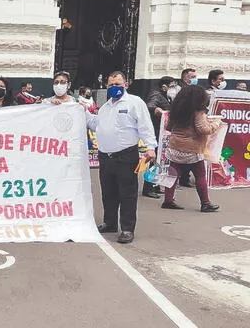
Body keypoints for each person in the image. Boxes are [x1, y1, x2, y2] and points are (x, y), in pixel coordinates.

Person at [85, 71, 157, 244]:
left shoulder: (134, 103)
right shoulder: (106, 106)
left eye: (118, 84)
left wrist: (150, 147)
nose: (114, 87)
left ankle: (127, 228)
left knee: (127, 193)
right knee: (108, 192)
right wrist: (82, 112)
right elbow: (95, 125)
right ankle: (110, 223)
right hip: (105, 157)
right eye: (111, 85)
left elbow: (145, 126)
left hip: (126, 155)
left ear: (126, 84)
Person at [161, 85, 221, 212]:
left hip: (174, 148)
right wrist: (216, 124)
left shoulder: (176, 110)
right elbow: (203, 130)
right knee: (200, 175)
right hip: (192, 150)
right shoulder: (198, 112)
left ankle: (168, 200)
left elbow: (168, 127)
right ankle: (205, 203)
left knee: (172, 175)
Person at [142, 76, 175, 198]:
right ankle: (148, 188)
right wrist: (157, 109)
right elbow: (150, 105)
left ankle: (155, 185)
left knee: (160, 161)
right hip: (156, 132)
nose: (173, 88)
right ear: (164, 86)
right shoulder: (156, 94)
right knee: (154, 161)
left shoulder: (166, 96)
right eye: (171, 86)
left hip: (162, 133)